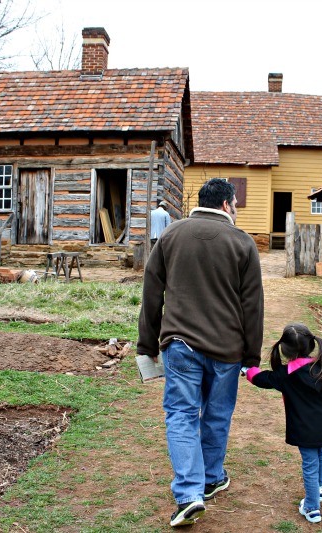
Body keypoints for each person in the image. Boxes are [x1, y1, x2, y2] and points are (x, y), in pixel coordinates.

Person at [138, 178, 265, 527]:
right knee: (217, 414)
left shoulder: (172, 235)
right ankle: (210, 479)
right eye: (236, 204)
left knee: (180, 415)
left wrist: (146, 345)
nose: (236, 209)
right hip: (227, 349)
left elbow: (152, 293)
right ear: (227, 204)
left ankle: (189, 494)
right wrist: (252, 357)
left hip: (179, 345)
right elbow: (252, 305)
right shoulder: (243, 243)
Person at [245, 323, 322, 524]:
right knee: (319, 453)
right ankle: (319, 488)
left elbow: (264, 379)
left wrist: (249, 371)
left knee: (310, 463)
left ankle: (312, 507)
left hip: (303, 429)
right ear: (311, 345)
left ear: (284, 350)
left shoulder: (285, 375)